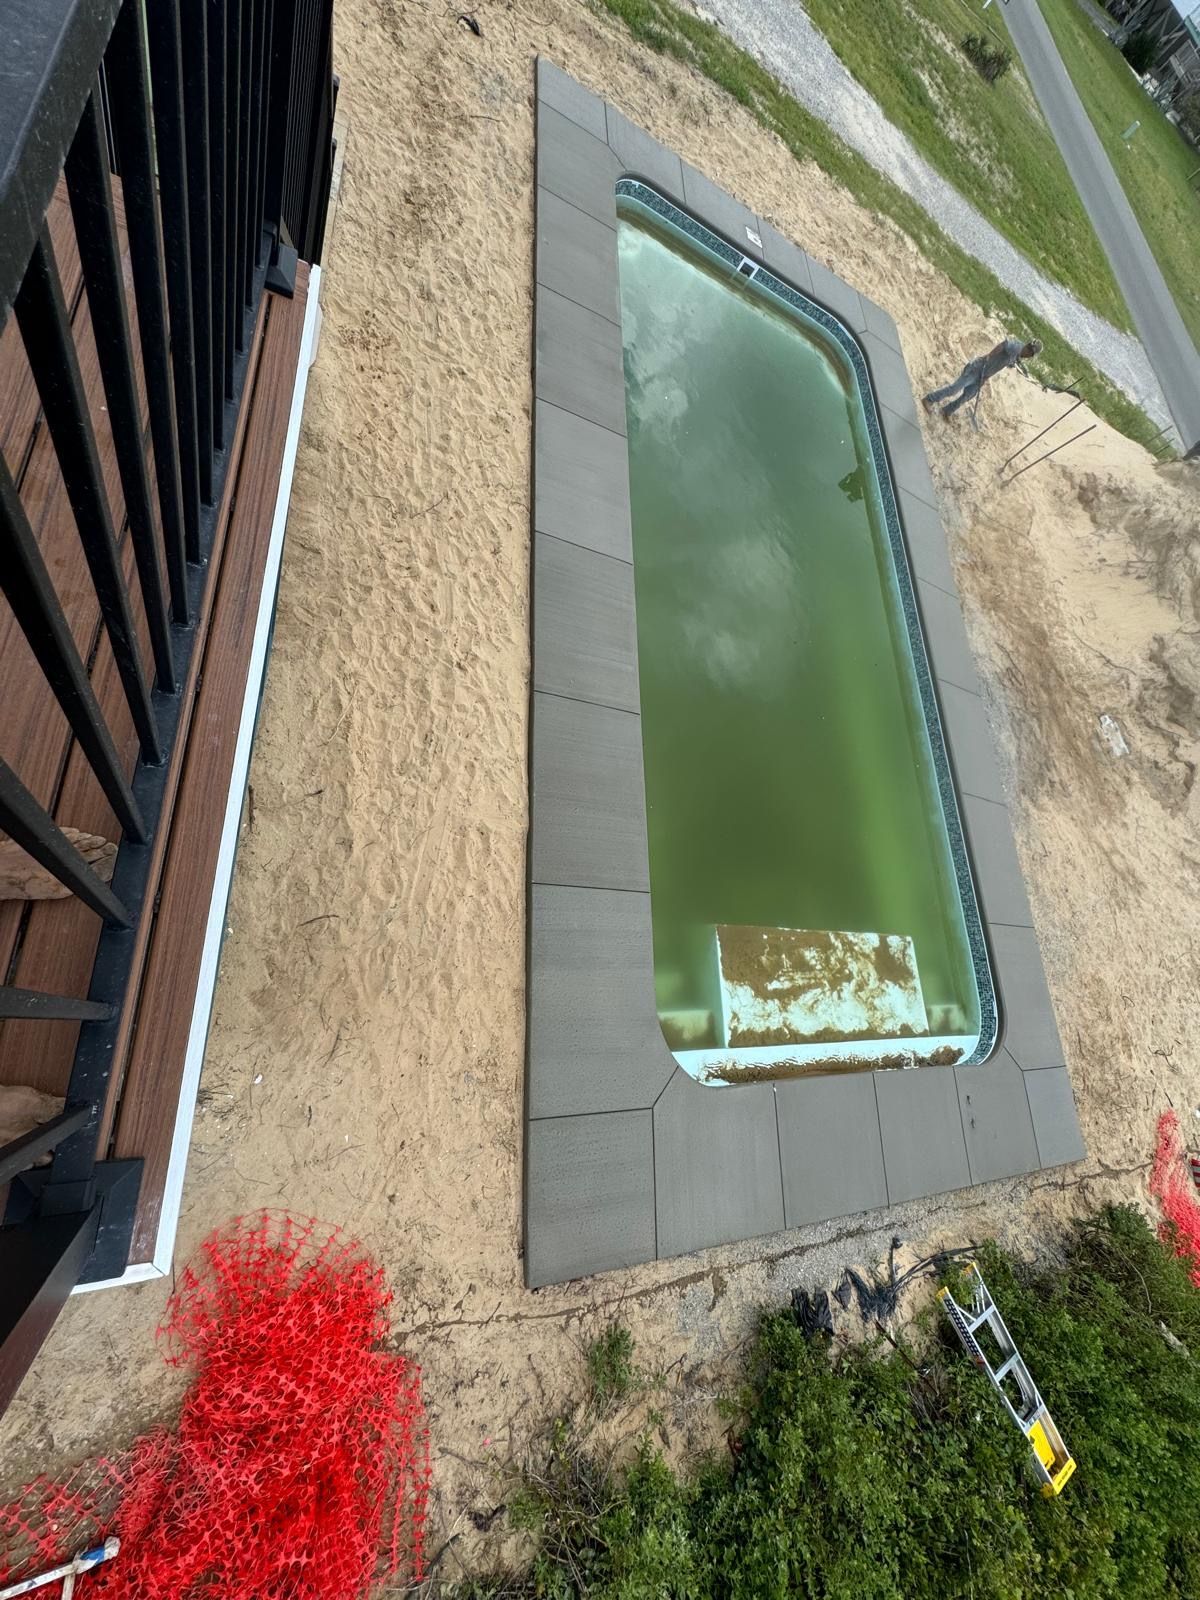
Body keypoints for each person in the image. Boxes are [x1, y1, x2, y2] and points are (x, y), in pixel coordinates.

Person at [923, 336, 1042, 419]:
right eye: (1031, 355)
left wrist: (986, 378)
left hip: (983, 375)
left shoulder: (1017, 355)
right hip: (977, 368)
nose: (1029, 357)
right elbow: (1003, 344)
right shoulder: (1016, 347)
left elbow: (999, 365)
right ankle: (929, 399)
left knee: (968, 396)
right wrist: (989, 356)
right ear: (1029, 350)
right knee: (954, 389)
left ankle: (947, 410)